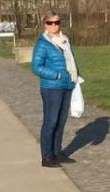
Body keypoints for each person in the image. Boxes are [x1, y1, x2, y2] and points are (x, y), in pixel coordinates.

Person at [31, 10, 79, 168]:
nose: (54, 26)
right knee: (50, 122)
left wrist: (75, 76)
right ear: (45, 24)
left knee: (61, 121)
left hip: (67, 85)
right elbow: (36, 66)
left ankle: (57, 152)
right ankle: (47, 156)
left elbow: (70, 60)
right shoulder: (43, 43)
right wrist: (55, 75)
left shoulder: (65, 40)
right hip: (52, 87)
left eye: (56, 22)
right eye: (50, 23)